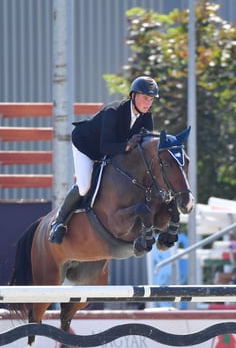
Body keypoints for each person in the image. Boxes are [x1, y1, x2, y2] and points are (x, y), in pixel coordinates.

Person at [48, 75, 159, 244]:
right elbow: (105, 146)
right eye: (145, 98)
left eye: (151, 99)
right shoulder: (113, 112)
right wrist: (127, 146)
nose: (148, 103)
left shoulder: (147, 118)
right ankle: (59, 222)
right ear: (133, 96)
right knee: (85, 186)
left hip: (112, 151)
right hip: (87, 145)